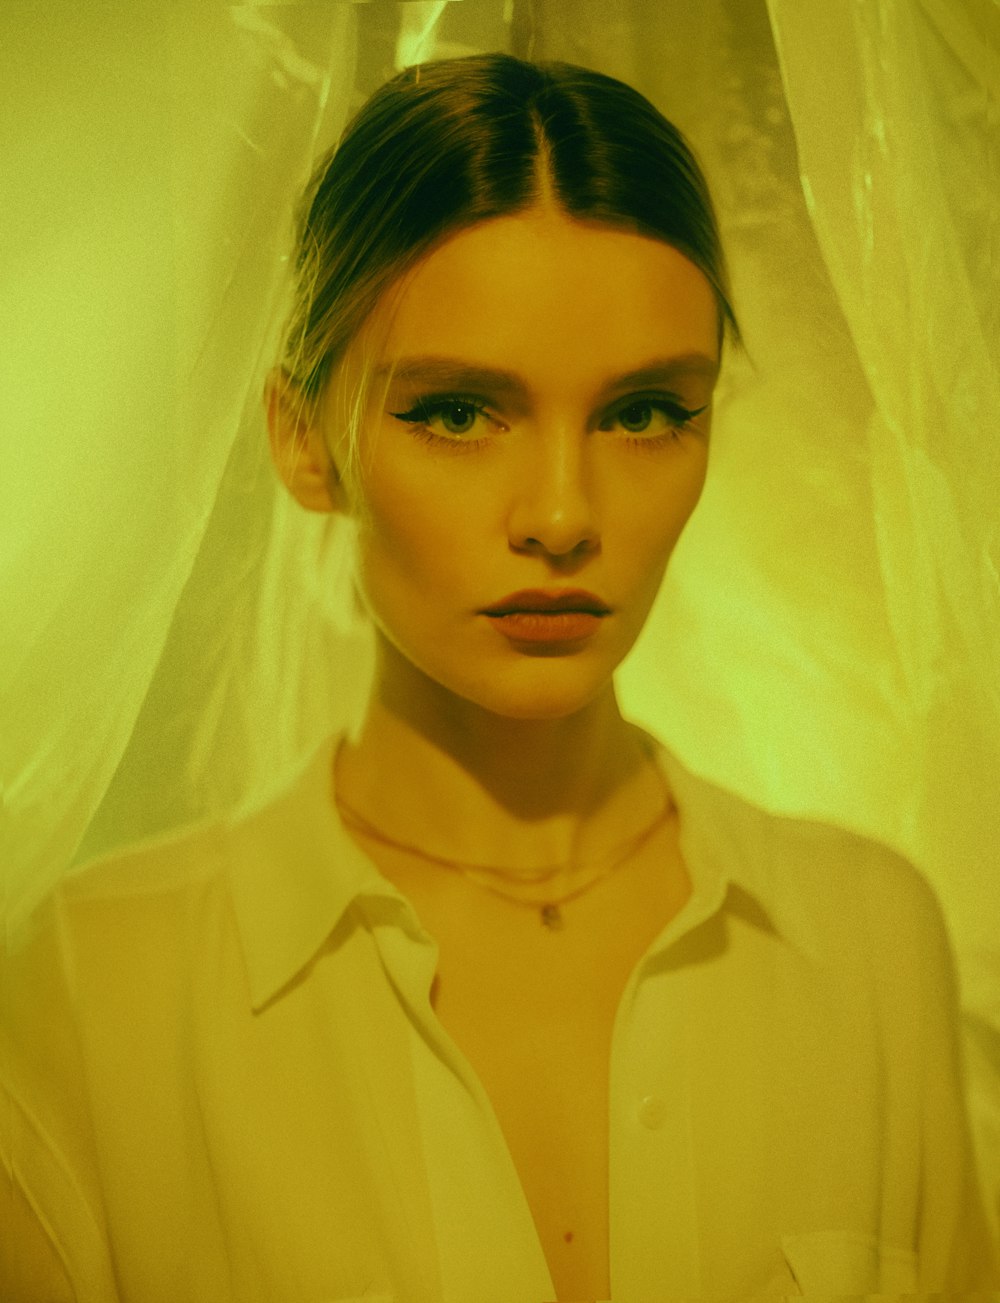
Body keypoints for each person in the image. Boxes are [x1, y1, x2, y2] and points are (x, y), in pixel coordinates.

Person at [1, 53, 996, 1303]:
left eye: (642, 412)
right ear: (304, 442)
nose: (564, 514)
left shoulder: (866, 944)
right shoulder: (101, 991)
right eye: (461, 412)